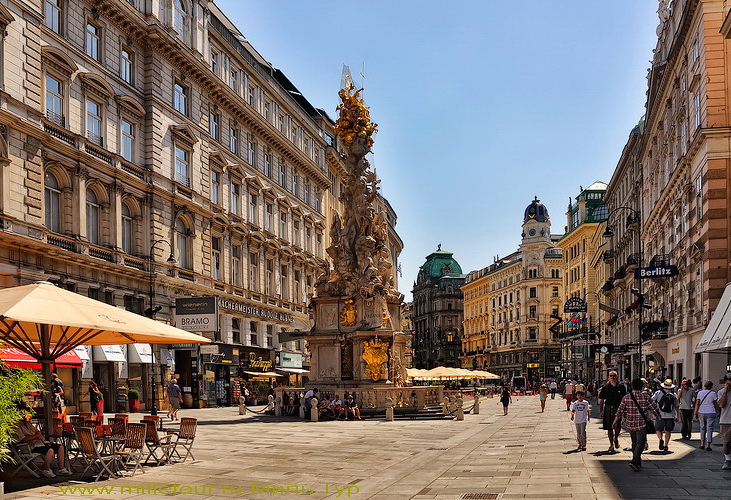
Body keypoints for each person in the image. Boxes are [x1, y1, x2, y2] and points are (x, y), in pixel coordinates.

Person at [614, 378, 661, 472]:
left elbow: (620, 410)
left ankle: (637, 462)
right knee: (641, 443)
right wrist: (658, 416)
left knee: (634, 442)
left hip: (630, 423)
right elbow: (654, 408)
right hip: (641, 423)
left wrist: (615, 420)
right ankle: (635, 461)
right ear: (642, 386)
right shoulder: (645, 397)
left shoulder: (626, 397)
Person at [14, 402, 72, 477]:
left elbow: (37, 431)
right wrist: (36, 436)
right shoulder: (16, 425)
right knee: (50, 450)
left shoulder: (27, 423)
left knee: (60, 447)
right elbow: (23, 439)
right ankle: (46, 469)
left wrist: (39, 436)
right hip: (29, 446)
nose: (24, 415)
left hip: (38, 443)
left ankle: (61, 468)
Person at [598, 370, 626, 452]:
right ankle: (611, 445)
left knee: (617, 426)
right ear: (609, 377)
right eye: (611, 376)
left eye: (614, 375)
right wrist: (601, 411)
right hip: (608, 408)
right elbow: (601, 400)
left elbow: (624, 400)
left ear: (617, 377)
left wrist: (625, 410)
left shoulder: (621, 387)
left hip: (618, 408)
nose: (612, 377)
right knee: (609, 427)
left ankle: (616, 438)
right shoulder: (605, 388)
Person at [652, 379, 679, 452]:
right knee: (668, 430)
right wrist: (677, 416)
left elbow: (652, 401)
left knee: (658, 429)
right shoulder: (674, 394)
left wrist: (652, 411)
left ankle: (661, 439)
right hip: (670, 415)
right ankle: (666, 445)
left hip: (660, 414)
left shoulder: (658, 393)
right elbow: (677, 405)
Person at [695, 380, 718, 451]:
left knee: (702, 428)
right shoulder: (713, 393)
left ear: (704, 386)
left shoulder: (700, 393)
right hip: (711, 411)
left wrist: (695, 412)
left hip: (701, 411)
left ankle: (702, 444)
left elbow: (697, 403)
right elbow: (715, 403)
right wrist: (717, 411)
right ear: (711, 387)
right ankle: (708, 445)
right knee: (709, 428)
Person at [717, 373, 731, 470]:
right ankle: (728, 459)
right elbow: (721, 405)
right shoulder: (721, 392)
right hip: (726, 421)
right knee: (726, 443)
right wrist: (725, 392)